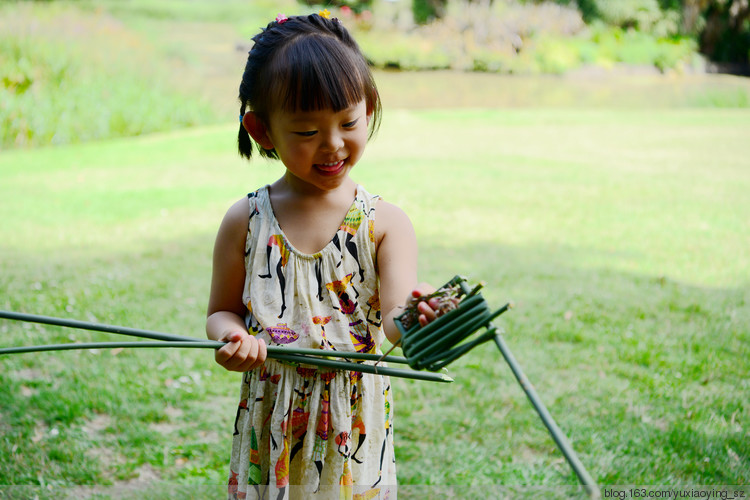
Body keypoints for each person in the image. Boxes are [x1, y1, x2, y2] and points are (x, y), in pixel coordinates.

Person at [206, 11, 440, 500]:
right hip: (273, 423)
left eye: (348, 122)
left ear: (369, 107)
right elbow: (222, 311)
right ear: (262, 130)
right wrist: (232, 338)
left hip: (353, 430)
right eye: (307, 131)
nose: (333, 145)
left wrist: (420, 315)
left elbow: (395, 322)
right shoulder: (246, 221)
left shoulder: (385, 224)